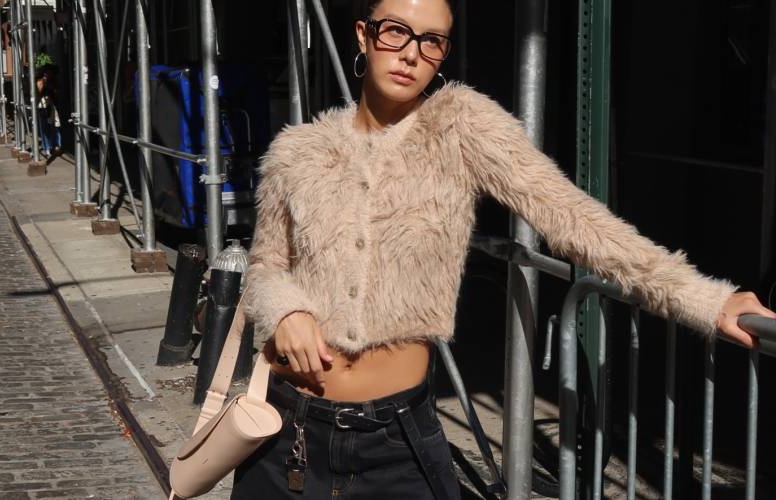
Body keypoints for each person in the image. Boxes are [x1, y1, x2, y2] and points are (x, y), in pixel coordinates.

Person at [233, 0, 776, 498]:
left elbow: (570, 216)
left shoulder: (460, 125)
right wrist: (287, 312)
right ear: (363, 34)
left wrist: (704, 299)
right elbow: (265, 267)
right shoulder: (296, 153)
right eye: (395, 31)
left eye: (432, 41)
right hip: (288, 432)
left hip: (396, 441)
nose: (411, 54)